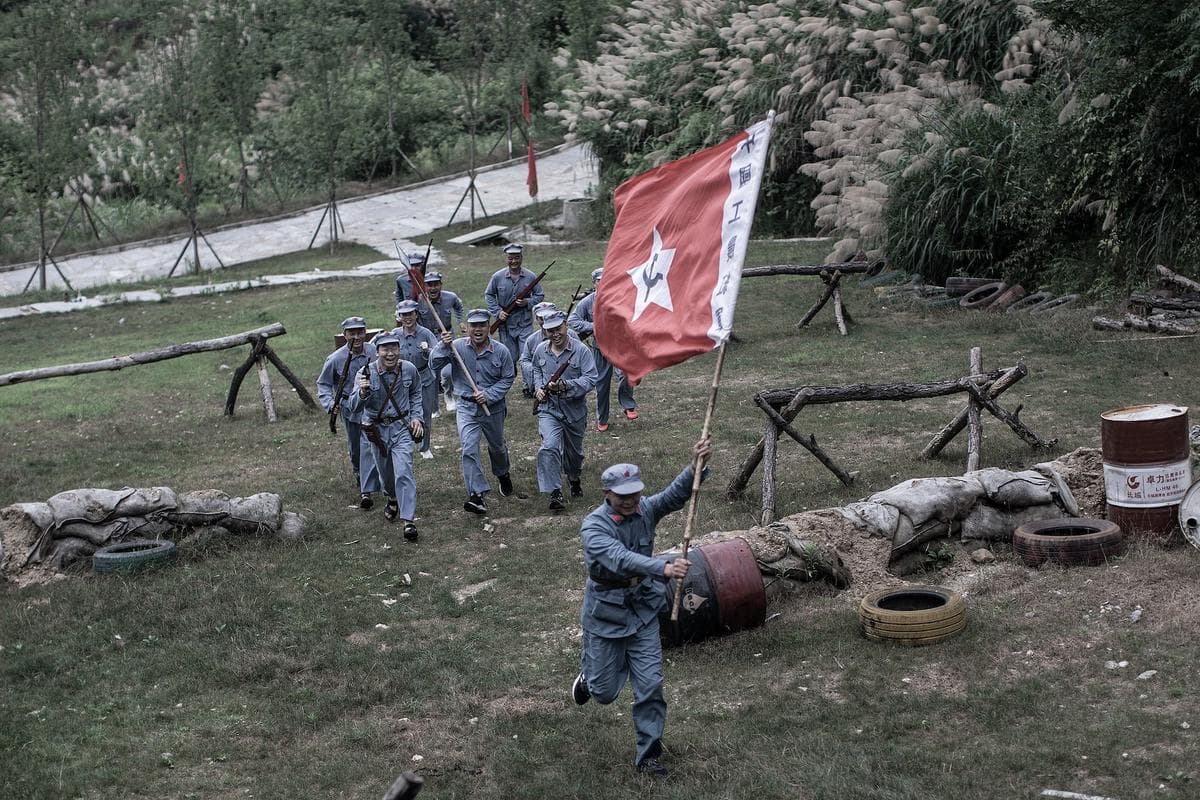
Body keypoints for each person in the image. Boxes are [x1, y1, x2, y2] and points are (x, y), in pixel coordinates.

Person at [571, 437, 711, 779]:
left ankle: (649, 756)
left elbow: (672, 497)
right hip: (606, 614)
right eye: (624, 496)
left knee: (650, 686)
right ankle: (589, 679)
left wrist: (695, 466)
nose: (633, 501)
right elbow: (618, 559)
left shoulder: (644, 508)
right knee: (604, 694)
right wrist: (661, 567)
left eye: (635, 493)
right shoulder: (594, 527)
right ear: (607, 495)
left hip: (643, 610)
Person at [430, 308, 517, 515]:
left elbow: (508, 378)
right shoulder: (456, 347)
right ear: (467, 328)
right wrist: (442, 345)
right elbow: (433, 364)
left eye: (482, 325)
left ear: (489, 327)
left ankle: (503, 473)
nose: (478, 329)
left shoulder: (501, 351)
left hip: (493, 409)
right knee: (469, 448)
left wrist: (489, 395)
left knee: (497, 447)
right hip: (466, 407)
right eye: (474, 325)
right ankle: (476, 495)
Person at [348, 333, 425, 541]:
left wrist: (417, 418)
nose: (390, 353)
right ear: (377, 352)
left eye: (394, 348)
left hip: (401, 427)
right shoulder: (365, 373)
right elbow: (354, 407)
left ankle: (408, 520)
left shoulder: (408, 369)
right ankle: (391, 498)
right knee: (386, 475)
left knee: (404, 471)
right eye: (385, 349)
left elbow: (416, 393)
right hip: (377, 431)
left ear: (399, 349)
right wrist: (362, 393)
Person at [531, 310, 597, 510]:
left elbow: (591, 378)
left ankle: (574, 478)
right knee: (550, 447)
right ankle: (555, 492)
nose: (555, 334)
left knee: (574, 454)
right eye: (550, 331)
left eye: (558, 329)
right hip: (549, 410)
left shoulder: (581, 351)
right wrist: (538, 389)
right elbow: (536, 370)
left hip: (574, 411)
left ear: (566, 325)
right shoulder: (541, 350)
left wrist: (566, 385)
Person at [316, 316, 379, 508]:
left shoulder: (375, 352)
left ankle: (366, 491)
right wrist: (329, 405)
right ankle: (361, 479)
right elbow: (324, 384)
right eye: (352, 333)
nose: (357, 337)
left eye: (360, 332)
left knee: (372, 445)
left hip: (372, 407)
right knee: (356, 449)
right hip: (349, 409)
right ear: (344, 335)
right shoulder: (336, 359)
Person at [568, 267, 638, 432]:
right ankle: (603, 418)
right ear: (594, 283)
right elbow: (573, 320)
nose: (603, 283)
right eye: (599, 280)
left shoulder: (620, 298)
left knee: (626, 375)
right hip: (600, 349)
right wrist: (593, 326)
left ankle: (628, 405)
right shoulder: (588, 302)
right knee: (601, 384)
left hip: (620, 346)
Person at [389, 300, 439, 460]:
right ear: (399, 316)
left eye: (410, 314)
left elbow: (438, 355)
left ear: (416, 315)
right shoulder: (394, 334)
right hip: (401, 380)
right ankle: (404, 445)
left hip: (424, 378)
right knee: (401, 413)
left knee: (425, 413)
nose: (407, 318)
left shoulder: (426, 333)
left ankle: (425, 447)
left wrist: (428, 350)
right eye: (404, 315)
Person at [484, 243, 544, 368]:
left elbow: (539, 295)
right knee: (510, 358)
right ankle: (509, 379)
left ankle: (529, 386)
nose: (514, 261)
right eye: (510, 258)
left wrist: (527, 302)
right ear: (506, 259)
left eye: (517, 257)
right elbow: (489, 295)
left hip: (524, 323)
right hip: (506, 324)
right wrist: (498, 312)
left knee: (526, 356)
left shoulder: (530, 276)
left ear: (521, 258)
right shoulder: (497, 277)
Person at [414, 270, 466, 414]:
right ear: (425, 286)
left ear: (441, 285)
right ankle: (433, 407)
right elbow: (412, 319)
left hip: (447, 338)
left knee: (448, 372)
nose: (433, 288)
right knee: (432, 374)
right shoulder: (419, 301)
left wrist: (461, 322)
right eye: (429, 285)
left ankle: (448, 395)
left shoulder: (451, 297)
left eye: (436, 284)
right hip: (428, 339)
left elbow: (459, 307)